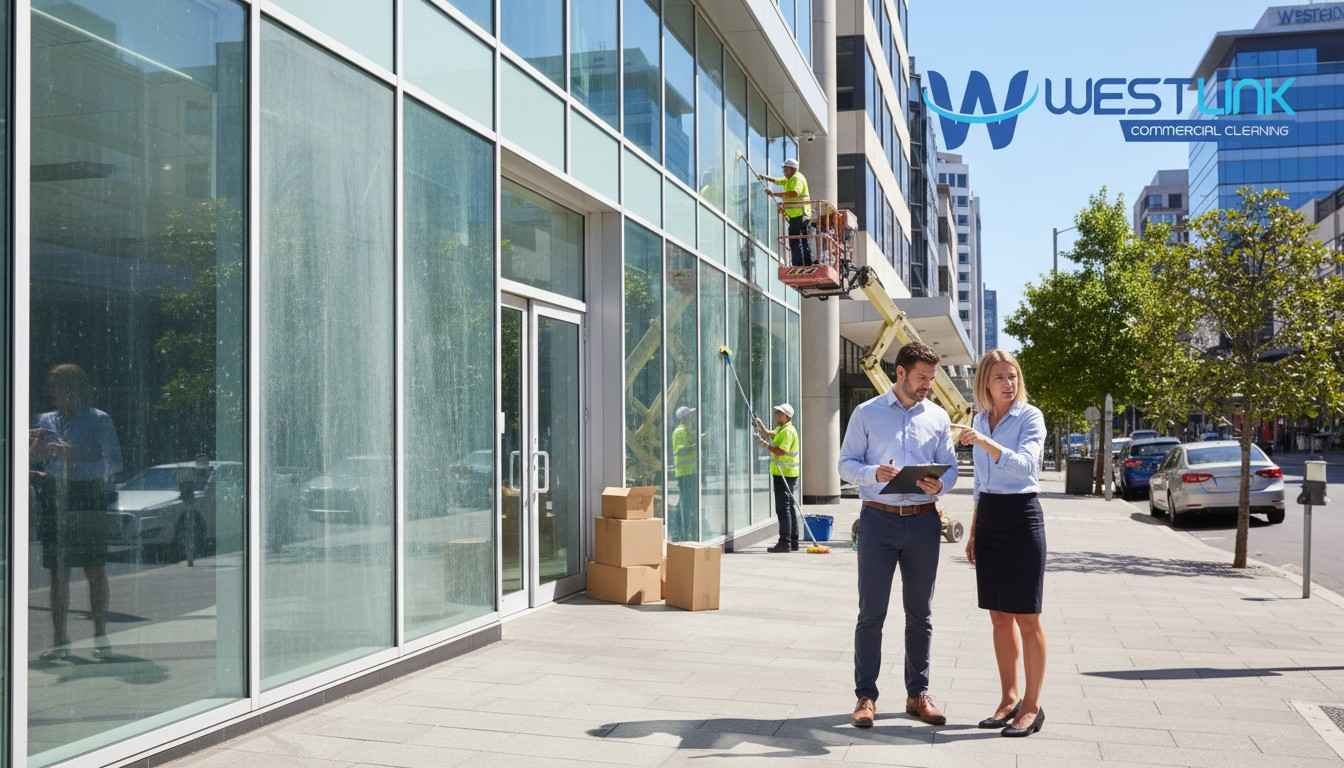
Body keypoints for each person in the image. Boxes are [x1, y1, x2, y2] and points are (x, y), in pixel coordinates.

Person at [838, 342, 958, 729]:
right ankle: (865, 697)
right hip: (878, 521)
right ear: (901, 373)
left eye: (931, 379)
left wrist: (938, 487)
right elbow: (845, 464)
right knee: (871, 613)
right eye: (922, 378)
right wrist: (872, 474)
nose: (928, 385)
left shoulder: (938, 417)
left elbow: (952, 468)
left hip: (923, 522)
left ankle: (918, 693)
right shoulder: (866, 413)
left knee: (920, 614)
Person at [957, 349, 1048, 738]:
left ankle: (1032, 705)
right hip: (991, 515)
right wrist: (975, 530)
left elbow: (1027, 465)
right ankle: (1008, 699)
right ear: (985, 383)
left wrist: (987, 443)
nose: (1008, 384)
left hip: (1022, 515)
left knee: (1027, 616)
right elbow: (980, 482)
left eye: (1012, 376)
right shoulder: (979, 419)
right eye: (999, 378)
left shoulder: (1030, 417)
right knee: (998, 615)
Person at [31, 363, 123, 662]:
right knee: (58, 571)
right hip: (55, 495)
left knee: (94, 568)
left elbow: (113, 464)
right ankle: (60, 640)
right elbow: (43, 460)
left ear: (76, 388)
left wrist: (75, 460)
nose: (52, 392)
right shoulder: (46, 420)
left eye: (58, 385)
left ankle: (100, 635)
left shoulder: (98, 420)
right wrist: (35, 457)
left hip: (87, 495)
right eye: (51, 385)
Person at [755, 403, 800, 553]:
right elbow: (769, 433)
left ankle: (785, 542)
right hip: (786, 473)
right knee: (789, 507)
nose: (776, 415)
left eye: (779, 413)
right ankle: (793, 541)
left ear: (787, 416)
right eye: (776, 413)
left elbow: (781, 451)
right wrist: (760, 424)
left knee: (783, 509)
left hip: (785, 474)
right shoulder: (782, 429)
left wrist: (765, 445)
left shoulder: (787, 431)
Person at [759, 159, 812, 266]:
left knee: (795, 240)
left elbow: (794, 193)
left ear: (792, 169)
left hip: (799, 214)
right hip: (797, 214)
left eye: (785, 169)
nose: (784, 172)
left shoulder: (797, 178)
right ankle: (805, 263)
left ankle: (799, 265)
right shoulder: (790, 178)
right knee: (800, 239)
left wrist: (773, 193)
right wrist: (765, 178)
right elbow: (777, 181)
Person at [671, 406, 699, 542]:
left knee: (687, 502)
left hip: (690, 472)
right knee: (684, 503)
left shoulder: (687, 430)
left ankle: (683, 531)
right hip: (684, 473)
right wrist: (696, 446)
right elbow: (680, 450)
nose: (693, 417)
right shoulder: (679, 432)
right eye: (690, 415)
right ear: (685, 418)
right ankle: (679, 532)